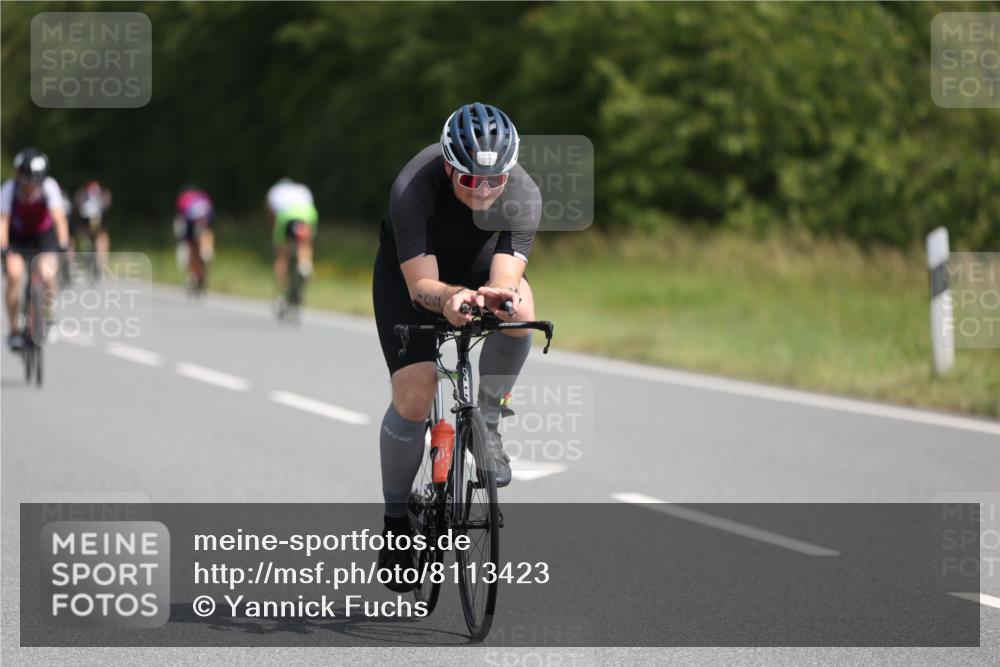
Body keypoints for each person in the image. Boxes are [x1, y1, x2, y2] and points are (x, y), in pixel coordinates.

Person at [372, 102, 541, 589]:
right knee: (415, 392)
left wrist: (496, 297)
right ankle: (397, 522)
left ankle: (488, 423)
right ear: (449, 165)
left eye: (494, 181)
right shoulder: (414, 186)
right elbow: (421, 286)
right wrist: (449, 298)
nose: (484, 191)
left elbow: (507, 275)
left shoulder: (524, 192)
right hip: (414, 276)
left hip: (479, 269)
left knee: (521, 309)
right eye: (470, 180)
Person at [0, 148, 70, 349]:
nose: (30, 186)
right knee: (14, 275)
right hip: (17, 237)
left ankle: (48, 314)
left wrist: (63, 244)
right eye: (26, 180)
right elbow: (3, 221)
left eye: (35, 181)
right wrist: (3, 248)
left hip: (43, 237)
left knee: (47, 273)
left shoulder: (49, 187)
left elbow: (59, 218)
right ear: (19, 176)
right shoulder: (8, 189)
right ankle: (14, 330)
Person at [266, 178, 317, 301]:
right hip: (308, 214)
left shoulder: (274, 192)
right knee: (305, 244)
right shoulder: (303, 189)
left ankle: (281, 292)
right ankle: (304, 265)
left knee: (282, 256)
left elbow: (271, 217)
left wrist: (276, 237)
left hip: (286, 216)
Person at [173, 186, 215, 292]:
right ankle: (191, 276)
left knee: (206, 255)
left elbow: (209, 231)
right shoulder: (188, 218)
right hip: (187, 227)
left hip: (205, 226)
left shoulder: (209, 213)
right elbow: (188, 239)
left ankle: (202, 276)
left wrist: (206, 250)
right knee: (188, 251)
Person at [73, 179, 113, 271]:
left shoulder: (104, 195)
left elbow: (107, 205)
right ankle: (87, 254)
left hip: (100, 221)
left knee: (102, 238)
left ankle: (100, 263)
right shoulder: (82, 195)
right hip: (85, 221)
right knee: (84, 236)